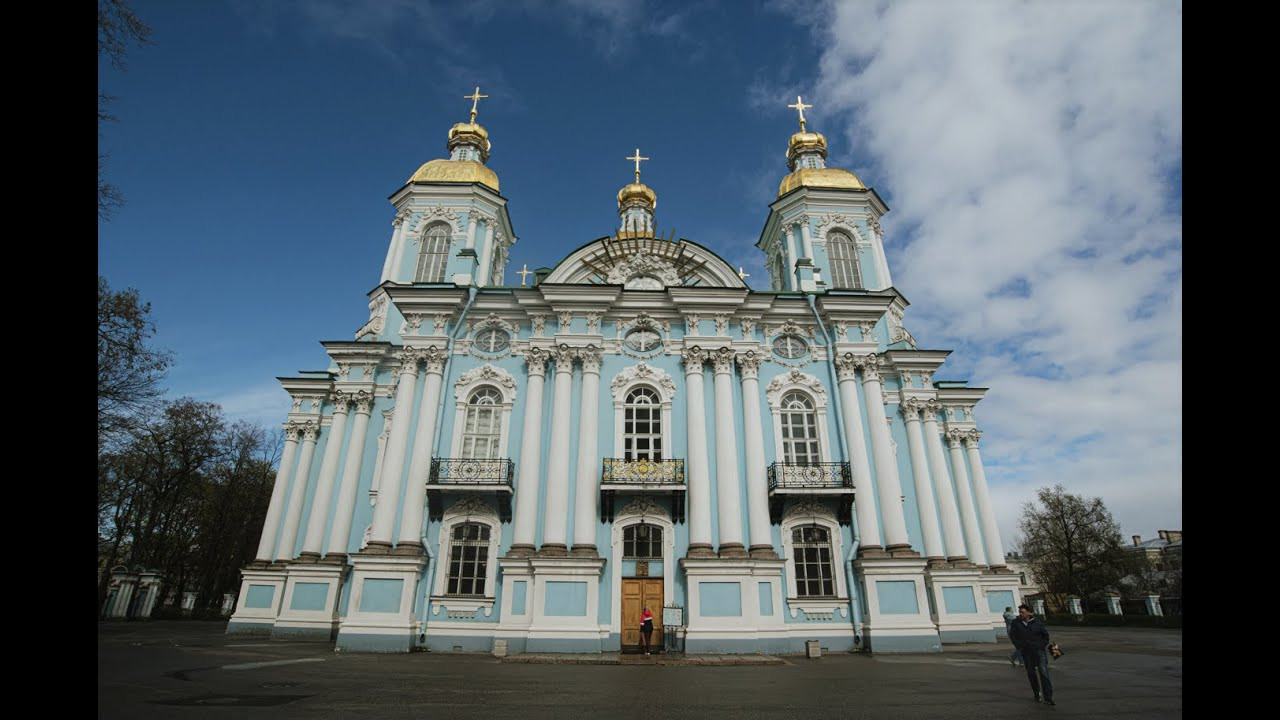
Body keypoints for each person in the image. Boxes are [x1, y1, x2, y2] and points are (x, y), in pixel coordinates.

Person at [1007, 604, 1055, 705]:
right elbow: (1013, 636)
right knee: (1031, 674)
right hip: (1026, 653)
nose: (1020, 614)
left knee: (1044, 673)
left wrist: (1041, 645)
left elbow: (1045, 636)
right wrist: (1020, 646)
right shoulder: (1016, 623)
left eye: (1022, 612)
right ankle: (1037, 693)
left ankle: (1048, 697)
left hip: (1039, 652)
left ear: (1029, 612)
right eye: (1019, 612)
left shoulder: (1037, 623)